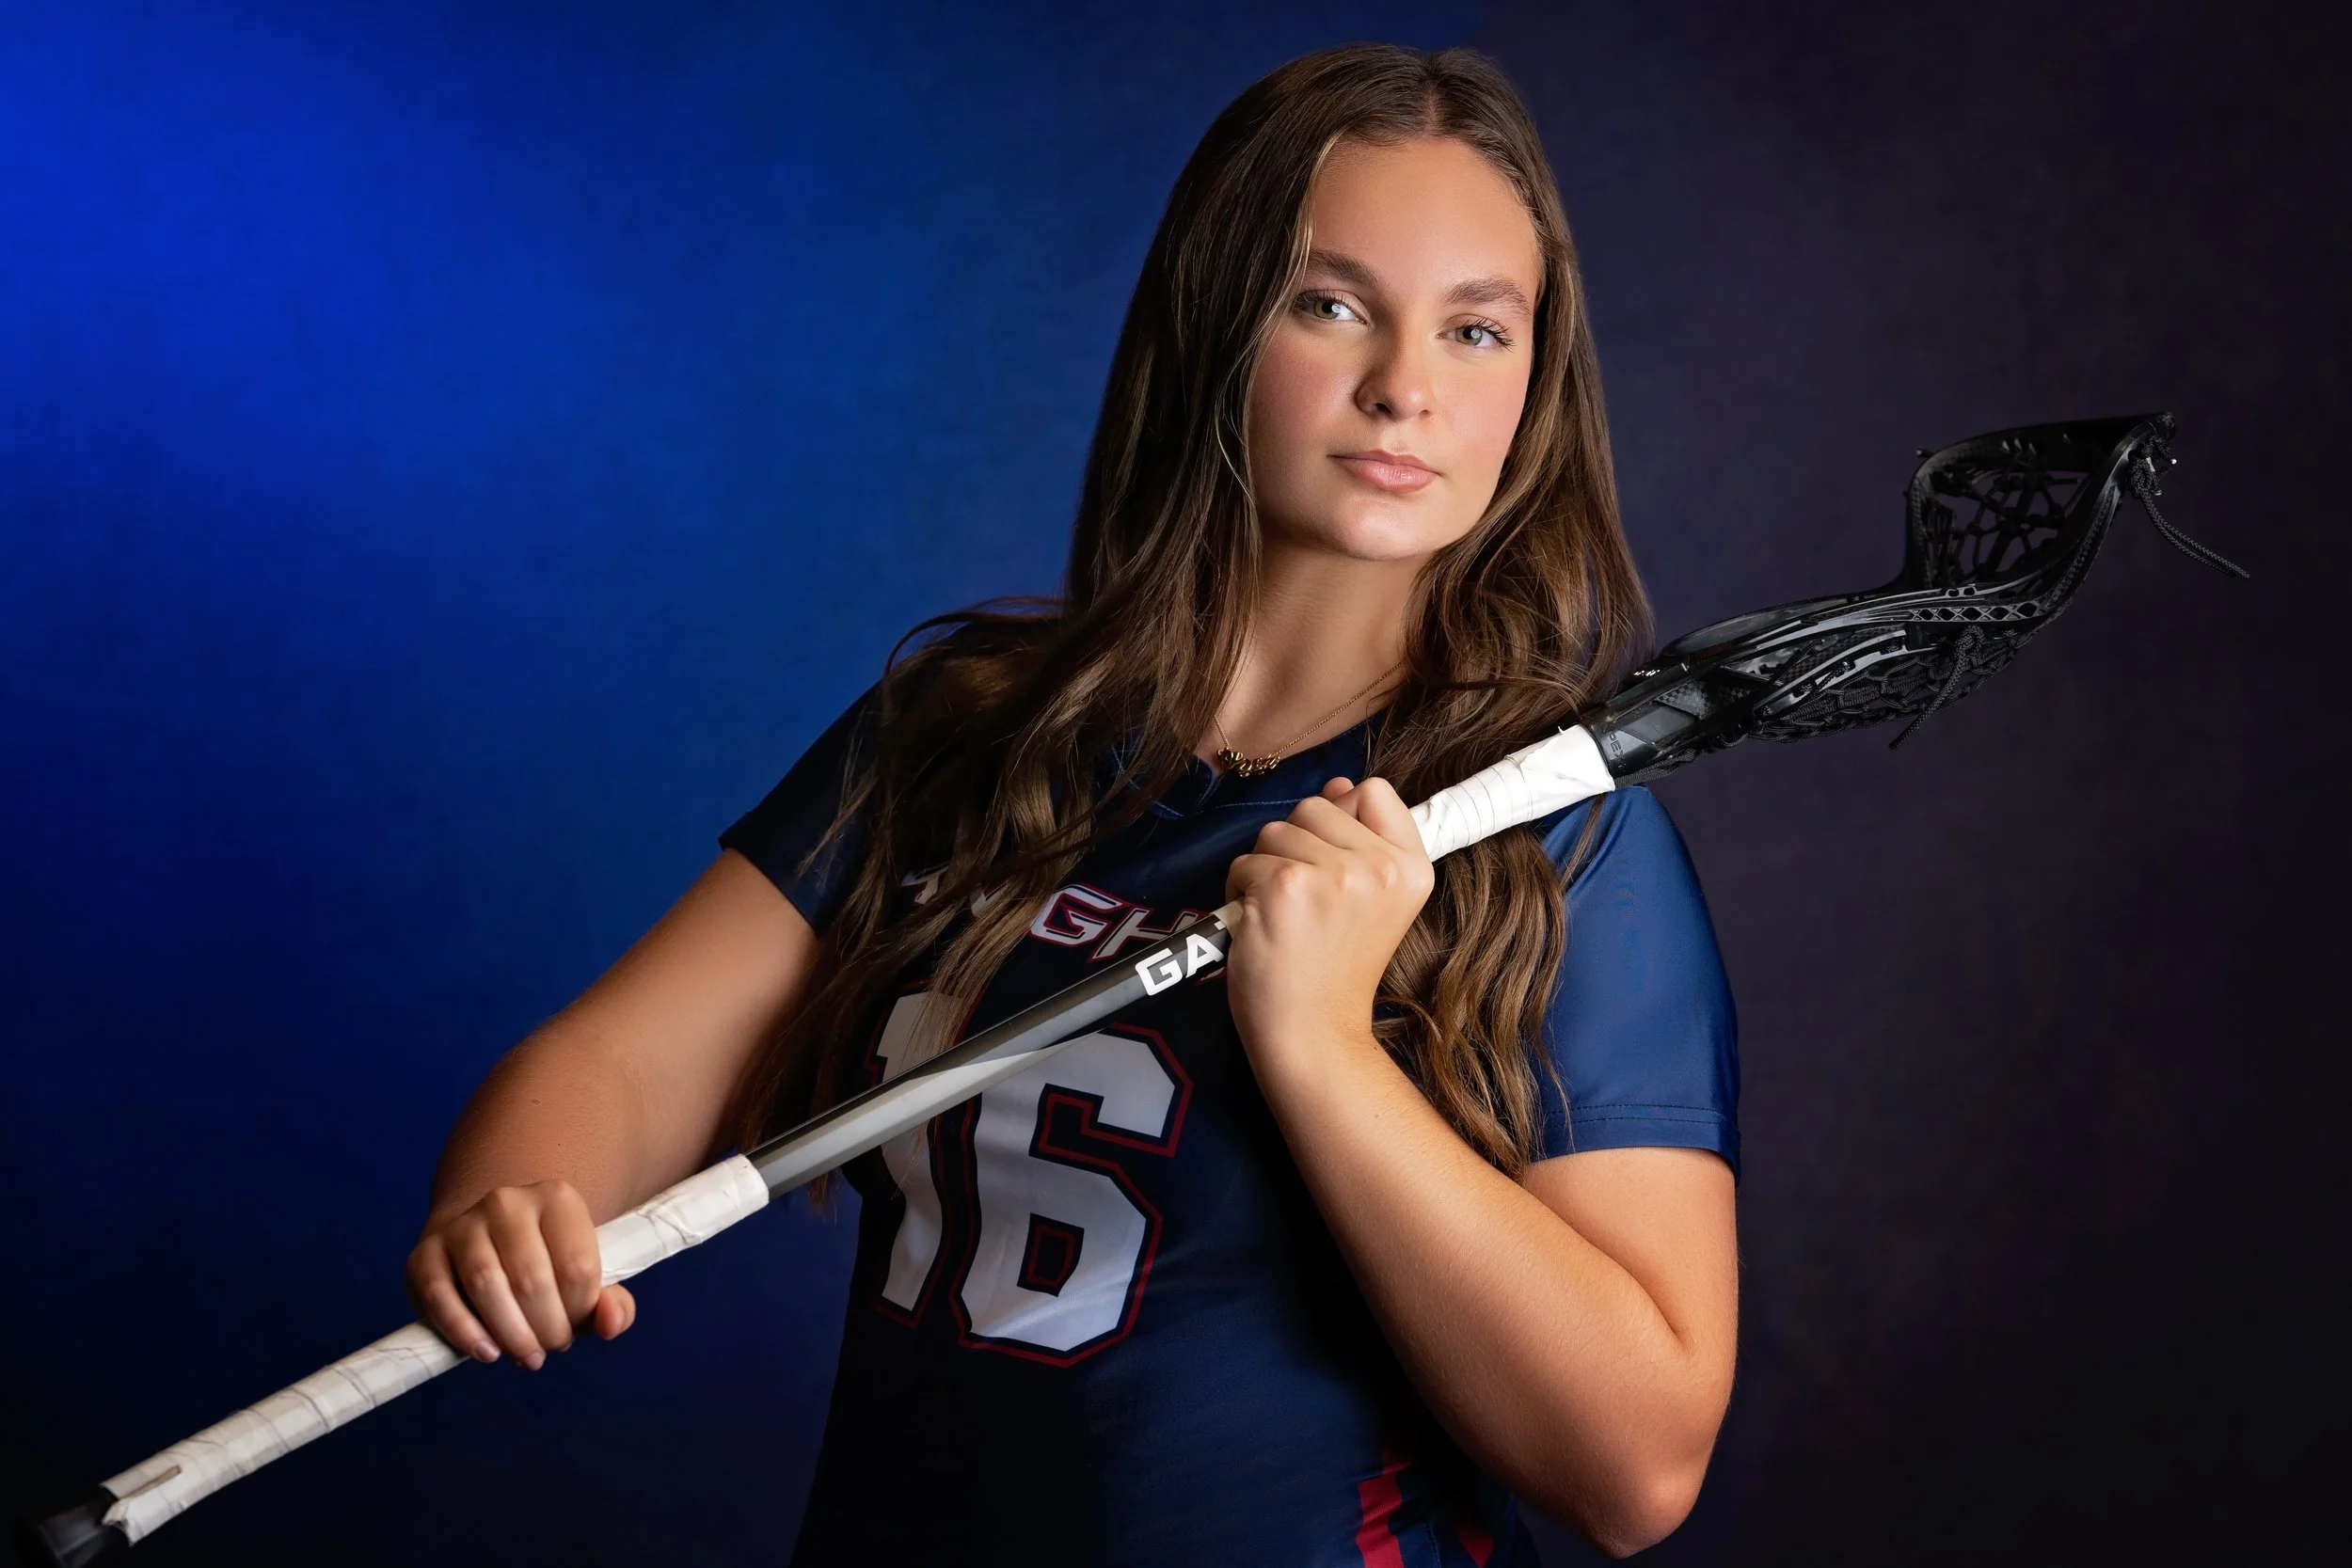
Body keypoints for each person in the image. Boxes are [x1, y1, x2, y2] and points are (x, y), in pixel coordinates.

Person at [405, 42, 1739, 1565]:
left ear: (1535, 382)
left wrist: (1320, 1045)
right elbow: (623, 1068)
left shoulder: (1554, 834)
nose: (1406, 388)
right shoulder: (968, 734)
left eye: (1478, 328)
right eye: (1332, 304)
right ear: (1216, 320)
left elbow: (1636, 1462)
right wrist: (512, 1199)